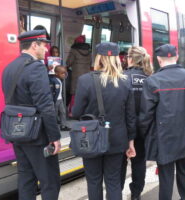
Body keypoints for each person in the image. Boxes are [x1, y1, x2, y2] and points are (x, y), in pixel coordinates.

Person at [139, 44, 185, 200]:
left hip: (163, 137)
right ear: (176, 57)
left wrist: (142, 134)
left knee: (165, 175)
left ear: (159, 60)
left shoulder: (152, 81)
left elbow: (146, 115)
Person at [72, 42, 137, 200]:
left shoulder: (85, 80)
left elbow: (76, 113)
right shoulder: (125, 82)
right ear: (116, 58)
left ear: (98, 58)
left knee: (93, 181)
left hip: (91, 138)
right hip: (117, 139)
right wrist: (131, 142)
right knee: (113, 182)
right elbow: (130, 116)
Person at [2, 30, 61, 200]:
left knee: (26, 179)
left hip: (16, 131)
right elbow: (46, 105)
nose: (46, 49)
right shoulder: (35, 67)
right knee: (50, 181)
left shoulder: (9, 67)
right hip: (37, 134)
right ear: (34, 45)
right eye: (43, 45)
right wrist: (54, 137)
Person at [120, 46, 153, 200]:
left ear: (130, 59)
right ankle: (136, 195)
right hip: (143, 129)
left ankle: (116, 193)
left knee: (119, 163)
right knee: (139, 163)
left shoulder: (121, 77)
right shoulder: (150, 79)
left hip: (123, 128)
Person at [67, 35, 91, 114]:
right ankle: (84, 112)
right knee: (85, 93)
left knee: (74, 94)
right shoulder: (88, 51)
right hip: (87, 74)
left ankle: (72, 112)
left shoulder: (73, 50)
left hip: (77, 75)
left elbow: (68, 62)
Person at [49, 65, 70, 131]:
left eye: (64, 73)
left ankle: (63, 126)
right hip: (55, 100)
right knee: (54, 113)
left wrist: (65, 71)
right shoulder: (53, 80)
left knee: (63, 112)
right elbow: (51, 91)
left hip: (60, 99)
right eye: (62, 73)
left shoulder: (60, 79)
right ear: (56, 73)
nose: (64, 75)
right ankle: (52, 127)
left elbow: (66, 75)